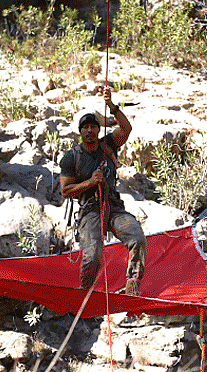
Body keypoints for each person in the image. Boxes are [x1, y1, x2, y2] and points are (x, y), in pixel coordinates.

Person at [60, 86, 147, 296]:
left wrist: (112, 107)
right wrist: (90, 182)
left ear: (98, 130)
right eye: (85, 127)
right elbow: (66, 191)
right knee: (93, 255)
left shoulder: (107, 145)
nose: (90, 130)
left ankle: (132, 286)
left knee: (137, 238)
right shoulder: (72, 158)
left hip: (113, 206)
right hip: (89, 210)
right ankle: (85, 292)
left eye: (93, 127)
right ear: (80, 132)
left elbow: (126, 129)